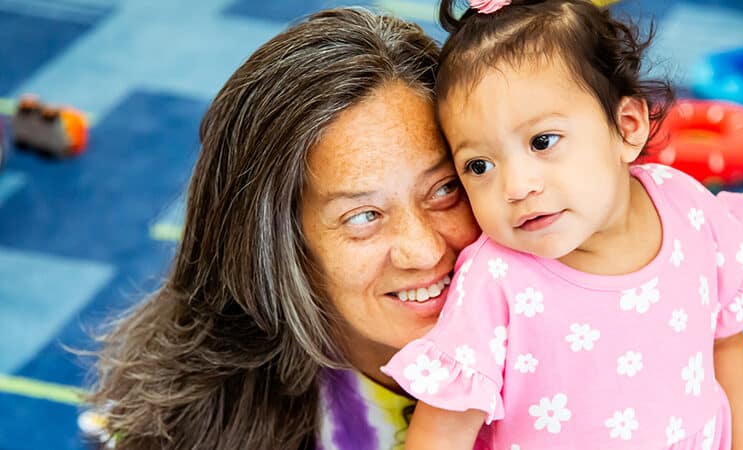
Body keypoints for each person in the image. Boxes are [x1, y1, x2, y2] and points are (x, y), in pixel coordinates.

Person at [381, 0, 743, 449]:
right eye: (479, 166)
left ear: (628, 127)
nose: (516, 185)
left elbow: (725, 343)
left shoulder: (688, 206)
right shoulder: (495, 280)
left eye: (542, 141)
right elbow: (442, 434)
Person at [86, 7, 483, 450]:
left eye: (445, 189)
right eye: (363, 216)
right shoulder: (192, 427)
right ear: (279, 245)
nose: (424, 250)